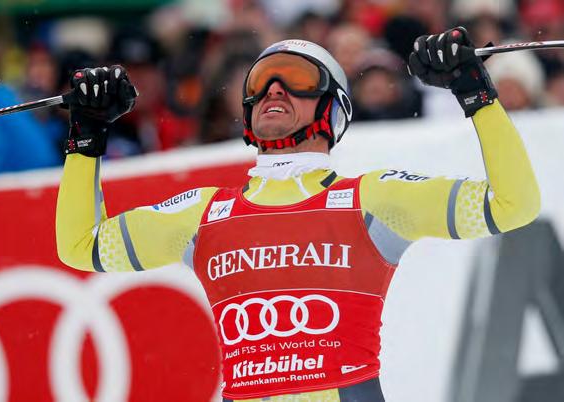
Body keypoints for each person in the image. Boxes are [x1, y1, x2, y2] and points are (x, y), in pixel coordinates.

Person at [56, 28, 541, 401]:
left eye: (298, 79)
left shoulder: (371, 198)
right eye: (260, 82)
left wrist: (477, 95)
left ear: (334, 109)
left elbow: (513, 205)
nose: (274, 89)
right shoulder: (204, 212)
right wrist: (86, 136)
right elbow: (80, 246)